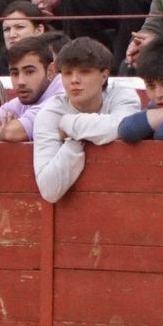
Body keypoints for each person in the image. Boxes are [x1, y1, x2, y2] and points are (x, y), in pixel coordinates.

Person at [31, 35, 142, 202]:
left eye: (84, 72)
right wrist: (74, 142)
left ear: (104, 76)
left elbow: (124, 126)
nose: (74, 80)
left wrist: (70, 125)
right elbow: (49, 190)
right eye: (67, 73)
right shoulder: (50, 113)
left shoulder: (123, 95)